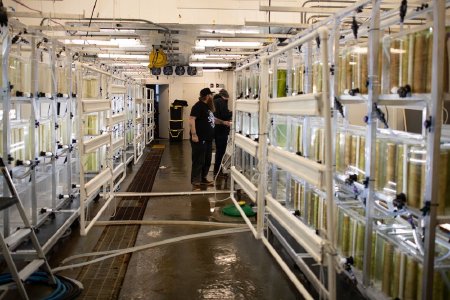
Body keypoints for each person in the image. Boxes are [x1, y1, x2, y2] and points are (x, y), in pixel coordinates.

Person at [189, 88, 216, 190]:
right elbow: (191, 119)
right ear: (207, 96)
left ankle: (203, 178)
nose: (212, 97)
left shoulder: (207, 107)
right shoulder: (198, 106)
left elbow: (211, 119)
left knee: (207, 160)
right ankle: (195, 181)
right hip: (199, 138)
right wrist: (194, 134)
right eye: (211, 95)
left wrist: (223, 122)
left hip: (208, 138)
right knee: (199, 160)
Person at [213, 89, 232, 176]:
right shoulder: (221, 102)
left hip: (216, 129)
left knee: (219, 150)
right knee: (221, 151)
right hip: (221, 129)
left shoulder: (215, 101)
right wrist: (232, 113)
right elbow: (224, 115)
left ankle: (217, 169)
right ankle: (218, 171)